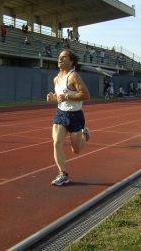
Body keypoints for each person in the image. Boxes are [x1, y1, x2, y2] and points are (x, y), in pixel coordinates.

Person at [46, 49, 91, 186]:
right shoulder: (56, 79)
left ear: (71, 61)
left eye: (64, 57)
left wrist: (67, 96)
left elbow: (86, 95)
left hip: (75, 115)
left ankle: (85, 135)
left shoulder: (73, 76)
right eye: (59, 57)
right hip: (61, 114)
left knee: (76, 150)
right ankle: (63, 174)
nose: (60, 59)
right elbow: (59, 98)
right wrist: (53, 98)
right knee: (56, 143)